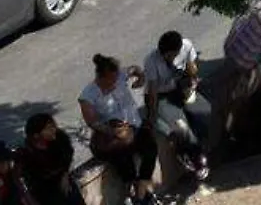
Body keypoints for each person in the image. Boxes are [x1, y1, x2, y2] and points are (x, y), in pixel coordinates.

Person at [77, 55, 157, 205]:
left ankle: (141, 191)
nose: (115, 82)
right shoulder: (88, 95)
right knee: (124, 159)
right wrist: (112, 131)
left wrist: (140, 78)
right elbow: (92, 122)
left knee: (150, 150)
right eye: (110, 79)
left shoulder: (120, 75)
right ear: (101, 77)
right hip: (113, 134)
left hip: (135, 126)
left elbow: (135, 69)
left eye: (116, 77)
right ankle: (134, 192)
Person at [141, 31, 211, 182]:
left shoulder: (186, 46)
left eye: (172, 55)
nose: (169, 58)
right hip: (161, 96)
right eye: (166, 55)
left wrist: (191, 82)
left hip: (181, 88)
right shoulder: (151, 61)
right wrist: (153, 113)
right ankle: (194, 157)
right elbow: (152, 90)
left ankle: (197, 146)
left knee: (203, 112)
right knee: (181, 128)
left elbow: (192, 68)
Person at [14, 115, 79, 205]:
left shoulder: (60, 139)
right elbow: (18, 178)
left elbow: (67, 156)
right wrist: (28, 197)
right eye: (48, 128)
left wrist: (65, 174)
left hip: (61, 180)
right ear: (36, 135)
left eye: (53, 126)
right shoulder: (25, 153)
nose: (54, 130)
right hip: (41, 189)